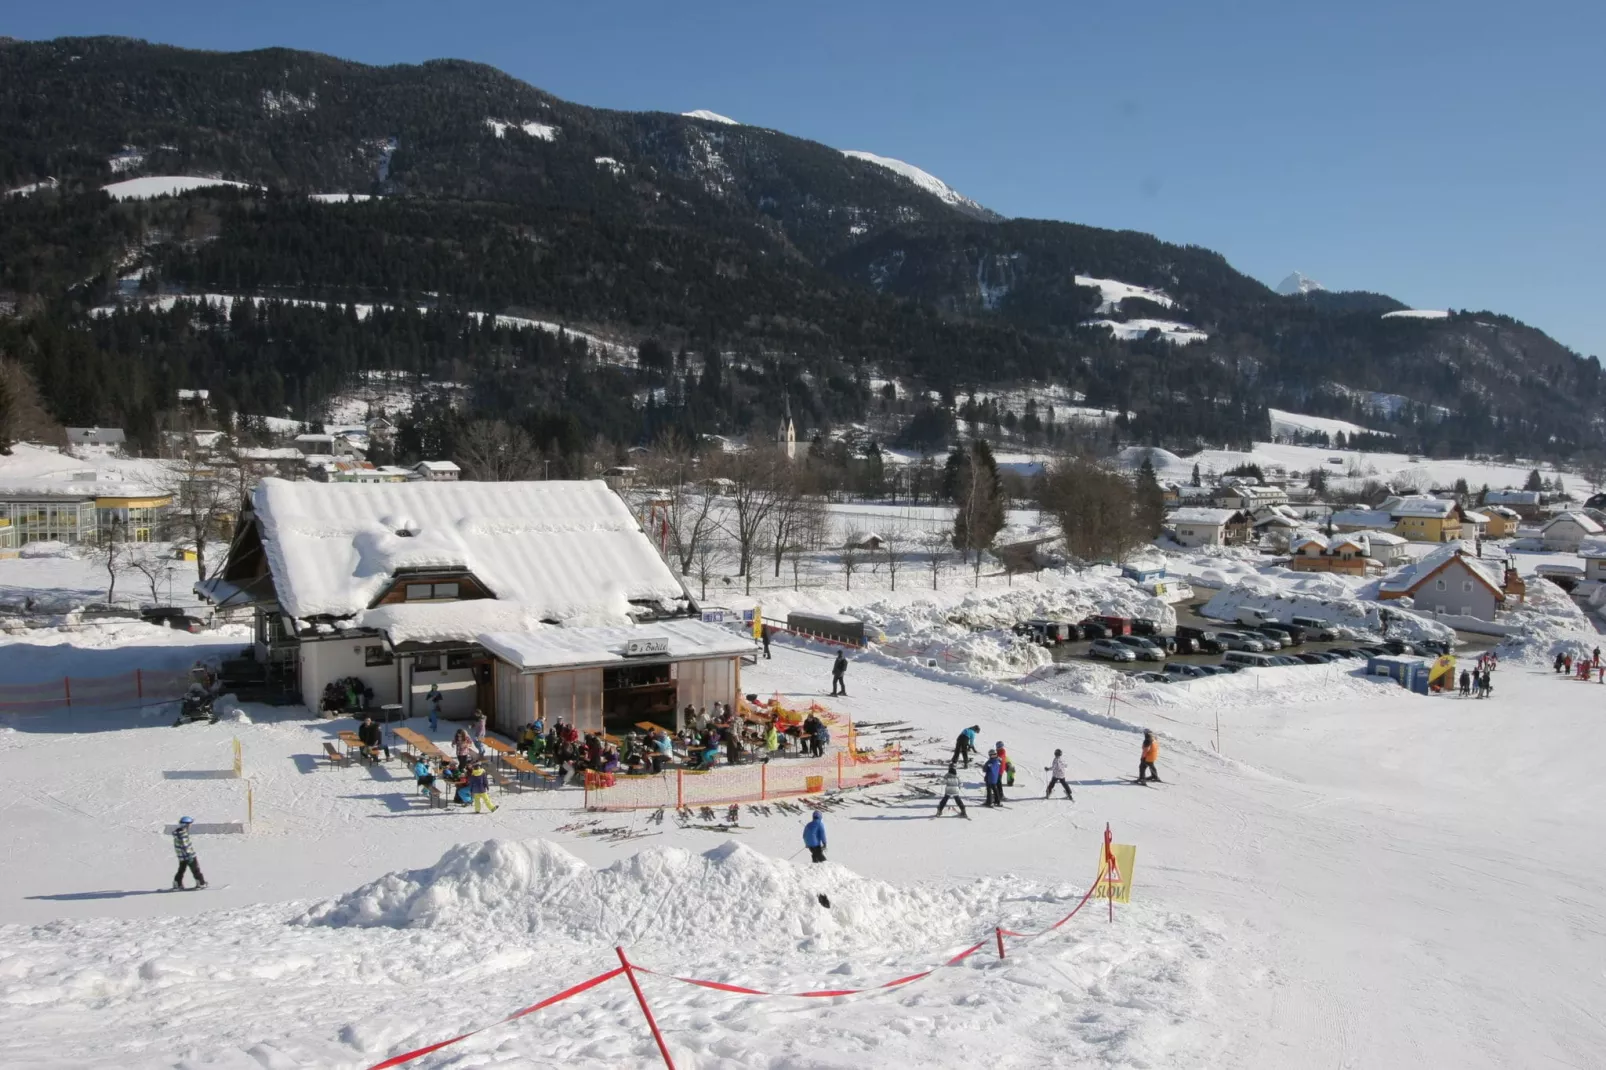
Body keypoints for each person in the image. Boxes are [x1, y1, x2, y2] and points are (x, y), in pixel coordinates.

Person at [171, 816, 207, 890]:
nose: (191, 825)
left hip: (181, 857)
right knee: (195, 869)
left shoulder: (178, 833)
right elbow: (185, 846)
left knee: (181, 870)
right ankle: (201, 883)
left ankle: (177, 883)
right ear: (186, 824)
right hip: (188, 856)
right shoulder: (183, 834)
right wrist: (190, 856)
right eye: (190, 824)